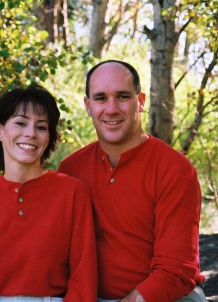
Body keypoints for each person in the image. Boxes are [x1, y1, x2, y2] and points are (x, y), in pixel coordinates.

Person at [57, 60, 207, 302]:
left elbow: (177, 269)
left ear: (141, 101)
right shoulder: (71, 169)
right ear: (88, 105)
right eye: (101, 98)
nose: (112, 108)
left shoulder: (174, 170)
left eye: (123, 96)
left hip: (164, 297)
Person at [0, 84, 97, 302]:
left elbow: (83, 275)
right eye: (21, 123)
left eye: (41, 127)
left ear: (49, 137)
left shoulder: (73, 192)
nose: (30, 133)